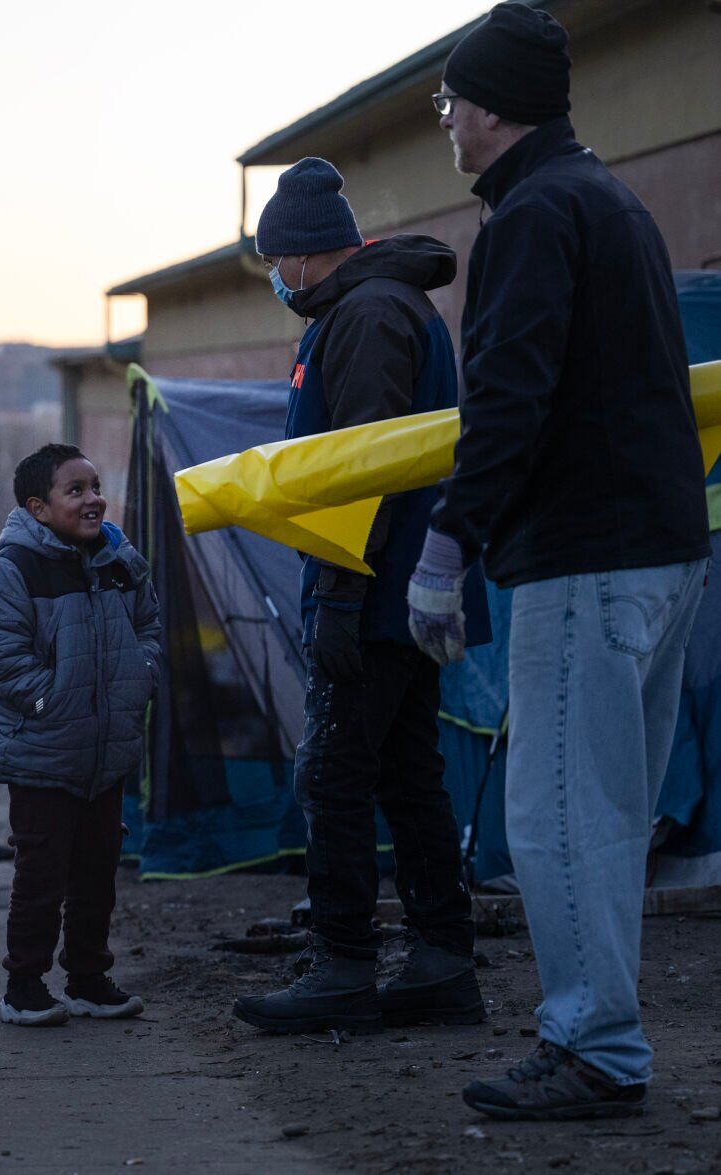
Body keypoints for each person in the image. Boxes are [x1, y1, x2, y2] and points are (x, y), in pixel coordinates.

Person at [408, 2, 709, 1119]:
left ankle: (593, 1048)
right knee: (609, 811)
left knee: (555, 815)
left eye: (447, 102)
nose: (444, 121)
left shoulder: (533, 216)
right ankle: (603, 1039)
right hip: (660, 551)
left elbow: (508, 398)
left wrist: (447, 540)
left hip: (584, 559)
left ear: (484, 108)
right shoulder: (609, 202)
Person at [230, 160, 490, 1036]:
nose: (273, 278)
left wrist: (338, 598)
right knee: (405, 772)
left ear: (299, 254)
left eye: (273, 261)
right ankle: (440, 958)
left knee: (333, 774)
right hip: (397, 587)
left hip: (374, 592)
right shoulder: (368, 309)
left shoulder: (369, 314)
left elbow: (364, 472)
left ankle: (342, 963)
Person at [0, 444, 159, 1027]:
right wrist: (54, 702)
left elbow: (150, 625)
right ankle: (23, 985)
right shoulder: (15, 569)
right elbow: (1, 660)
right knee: (42, 875)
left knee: (96, 871)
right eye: (75, 490)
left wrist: (139, 678)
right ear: (39, 507)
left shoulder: (120, 560)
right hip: (43, 753)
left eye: (96, 485)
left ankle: (88, 978)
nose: (93, 498)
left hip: (105, 754)